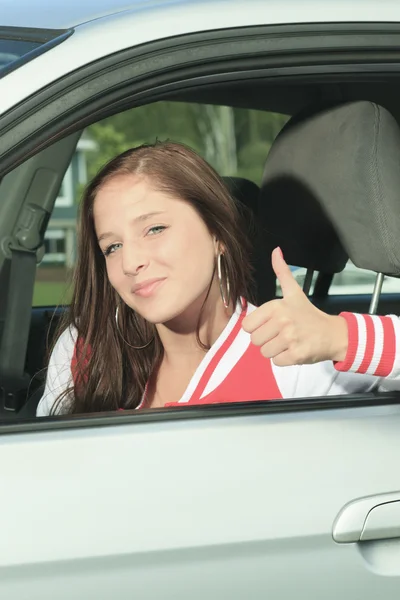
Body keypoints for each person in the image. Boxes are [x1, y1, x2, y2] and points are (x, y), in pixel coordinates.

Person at [37, 141, 400, 417]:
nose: (130, 262)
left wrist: (341, 337)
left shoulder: (290, 359)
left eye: (155, 228)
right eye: (112, 247)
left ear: (218, 236)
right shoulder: (84, 349)